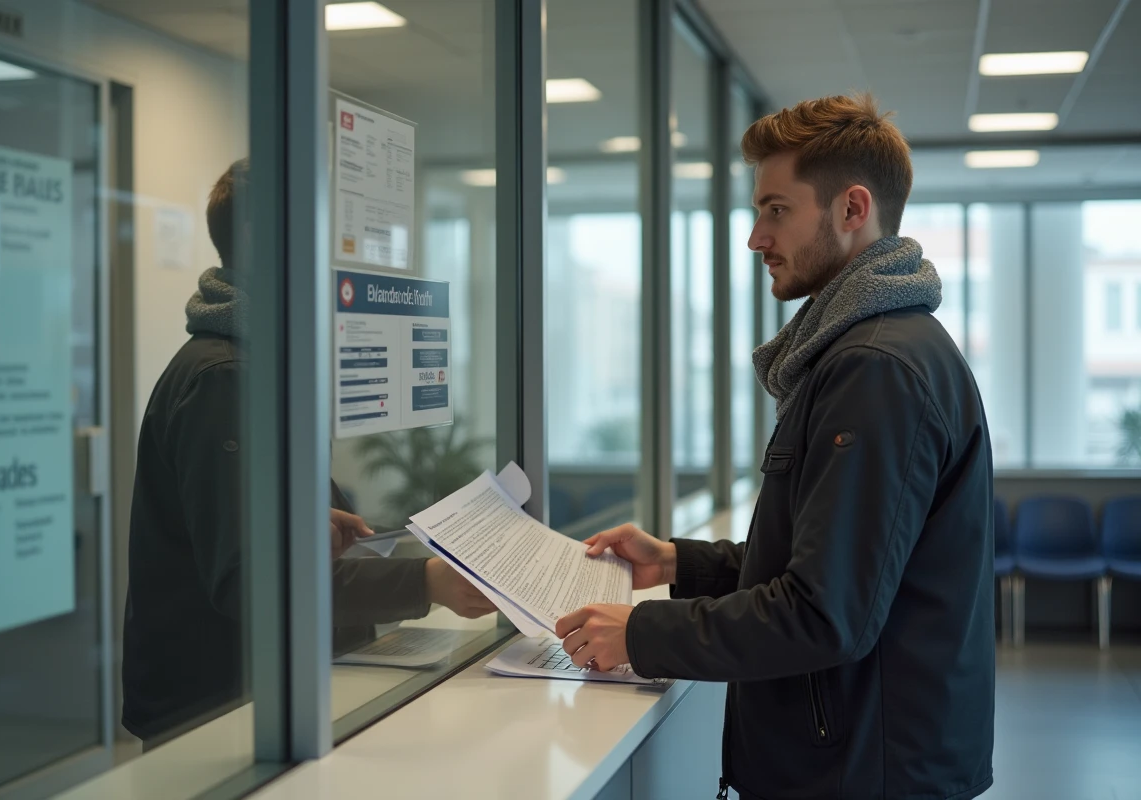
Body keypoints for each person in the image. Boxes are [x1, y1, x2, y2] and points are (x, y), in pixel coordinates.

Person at [557, 95, 995, 800]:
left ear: (853, 209)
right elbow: (832, 561)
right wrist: (679, 562)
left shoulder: (875, 368)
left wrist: (642, 634)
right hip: (866, 758)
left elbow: (825, 612)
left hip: (863, 773)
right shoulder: (870, 349)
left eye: (776, 210)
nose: (757, 237)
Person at [122, 159, 495, 748]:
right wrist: (425, 582)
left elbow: (240, 532)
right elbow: (251, 580)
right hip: (223, 713)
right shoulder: (227, 376)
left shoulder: (253, 362)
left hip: (257, 690)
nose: (329, 258)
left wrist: (305, 523)